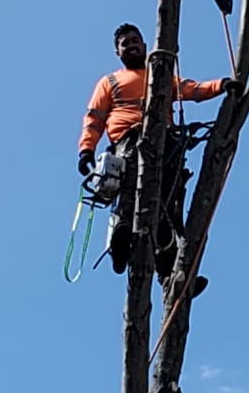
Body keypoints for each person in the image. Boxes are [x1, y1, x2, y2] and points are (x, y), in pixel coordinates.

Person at [78, 23, 236, 284]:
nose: (131, 45)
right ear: (118, 52)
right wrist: (86, 150)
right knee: (131, 183)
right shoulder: (110, 82)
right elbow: (94, 118)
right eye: (125, 43)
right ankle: (122, 234)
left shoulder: (160, 77)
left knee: (167, 206)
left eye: (134, 40)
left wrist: (223, 85)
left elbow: (192, 89)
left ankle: (171, 275)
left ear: (144, 45)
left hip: (165, 144)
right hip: (129, 139)